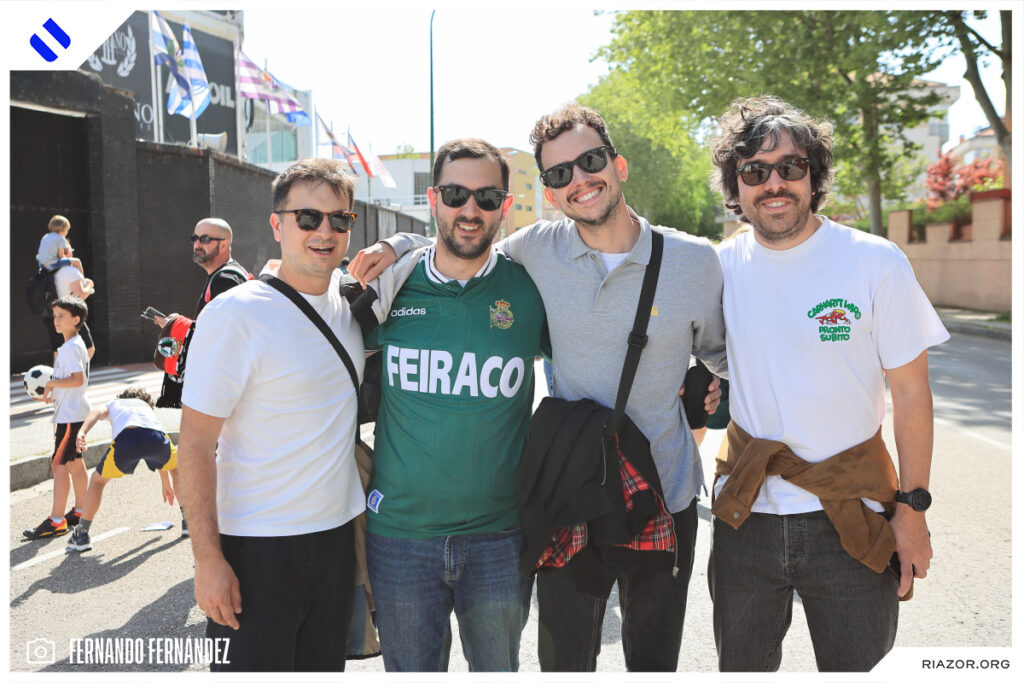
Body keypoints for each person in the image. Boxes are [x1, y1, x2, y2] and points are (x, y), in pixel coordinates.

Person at [350, 103, 727, 672]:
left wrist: (707, 390)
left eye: (591, 161)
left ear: (619, 165)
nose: (579, 179)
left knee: (653, 664)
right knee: (563, 665)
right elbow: (457, 245)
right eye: (559, 173)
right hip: (568, 497)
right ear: (549, 191)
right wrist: (396, 245)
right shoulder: (535, 253)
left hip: (662, 493)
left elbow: (725, 357)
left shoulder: (694, 261)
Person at [707, 95, 949, 672]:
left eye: (791, 167)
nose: (774, 183)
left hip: (853, 514)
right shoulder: (718, 269)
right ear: (735, 187)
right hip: (746, 516)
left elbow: (912, 394)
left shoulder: (875, 262)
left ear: (813, 177)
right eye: (754, 171)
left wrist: (913, 511)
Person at [360, 139, 546, 672]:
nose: (470, 209)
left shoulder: (531, 290)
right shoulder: (388, 285)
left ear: (504, 206)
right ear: (433, 198)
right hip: (399, 536)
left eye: (486, 197)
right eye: (456, 194)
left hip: (499, 538)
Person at [177, 158, 366, 671]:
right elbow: (194, 443)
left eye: (340, 219)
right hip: (257, 548)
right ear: (277, 225)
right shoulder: (234, 313)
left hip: (336, 541)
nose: (324, 231)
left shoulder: (351, 302)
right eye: (308, 217)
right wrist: (207, 559)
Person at [67, 387, 183, 551]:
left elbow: (96, 412)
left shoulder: (114, 403)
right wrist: (166, 483)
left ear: (122, 397)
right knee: (177, 470)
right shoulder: (145, 408)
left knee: (97, 481)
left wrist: (82, 432)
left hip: (126, 439)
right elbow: (152, 441)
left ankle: (82, 533)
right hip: (155, 437)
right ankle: (189, 522)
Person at [152, 218, 249, 408]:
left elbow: (223, 337)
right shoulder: (222, 275)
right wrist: (174, 323)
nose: (197, 244)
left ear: (224, 245)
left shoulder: (226, 280)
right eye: (194, 238)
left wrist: (178, 325)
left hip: (221, 388)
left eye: (204, 239)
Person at [23, 296, 92, 540]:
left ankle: (56, 521)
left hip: (70, 416)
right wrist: (54, 392)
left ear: (76, 319)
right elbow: (73, 381)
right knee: (75, 462)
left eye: (61, 316)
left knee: (59, 465)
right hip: (74, 411)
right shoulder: (75, 344)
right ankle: (81, 510)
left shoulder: (71, 347)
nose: (56, 320)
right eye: (54, 316)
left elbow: (77, 379)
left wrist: (51, 383)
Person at [46, 262, 96, 365]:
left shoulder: (49, 271)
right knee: (88, 348)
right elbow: (79, 297)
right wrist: (90, 284)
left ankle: (59, 373)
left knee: (58, 351)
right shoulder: (71, 271)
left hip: (50, 313)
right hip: (68, 315)